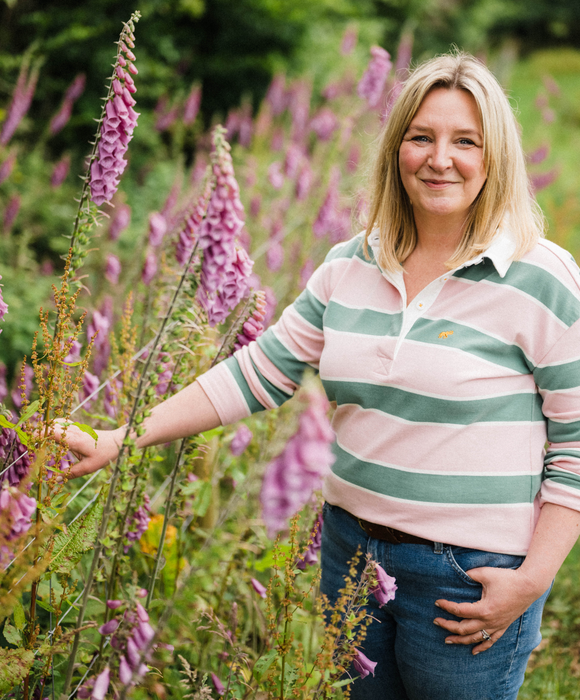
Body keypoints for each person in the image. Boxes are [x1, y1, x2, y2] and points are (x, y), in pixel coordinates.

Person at [61, 51, 580, 700]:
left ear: (495, 156)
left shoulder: (540, 276)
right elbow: (258, 372)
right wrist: (118, 439)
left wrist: (534, 577)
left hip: (467, 579)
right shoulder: (350, 264)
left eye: (465, 141)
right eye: (421, 137)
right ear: (396, 149)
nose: (439, 158)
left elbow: (576, 438)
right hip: (349, 554)